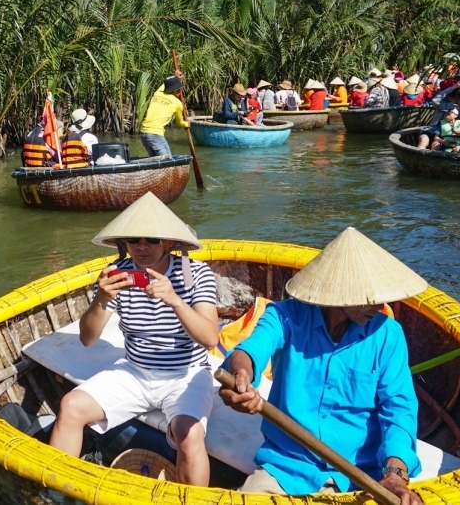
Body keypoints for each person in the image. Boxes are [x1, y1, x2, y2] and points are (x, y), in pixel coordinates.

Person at [219, 227, 426, 502]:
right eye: (370, 298)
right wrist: (242, 376)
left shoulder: (388, 335)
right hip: (287, 469)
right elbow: (249, 352)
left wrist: (394, 473)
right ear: (338, 294)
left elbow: (399, 410)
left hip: (360, 476)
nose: (379, 307)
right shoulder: (286, 317)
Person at [49, 193, 219, 486]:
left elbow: (210, 338)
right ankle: (54, 490)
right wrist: (101, 299)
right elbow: (88, 339)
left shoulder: (196, 274)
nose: (142, 247)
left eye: (151, 239)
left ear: (168, 242)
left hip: (185, 373)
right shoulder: (118, 276)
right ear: (124, 244)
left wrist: (175, 301)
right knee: (71, 406)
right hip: (135, 370)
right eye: (133, 240)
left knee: (190, 436)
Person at [140, 74, 190, 157]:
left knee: (156, 163)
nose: (180, 91)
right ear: (175, 90)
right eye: (179, 89)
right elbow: (179, 122)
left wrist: (175, 77)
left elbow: (165, 85)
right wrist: (187, 124)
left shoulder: (157, 94)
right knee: (168, 162)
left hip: (144, 134)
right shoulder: (178, 103)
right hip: (155, 134)